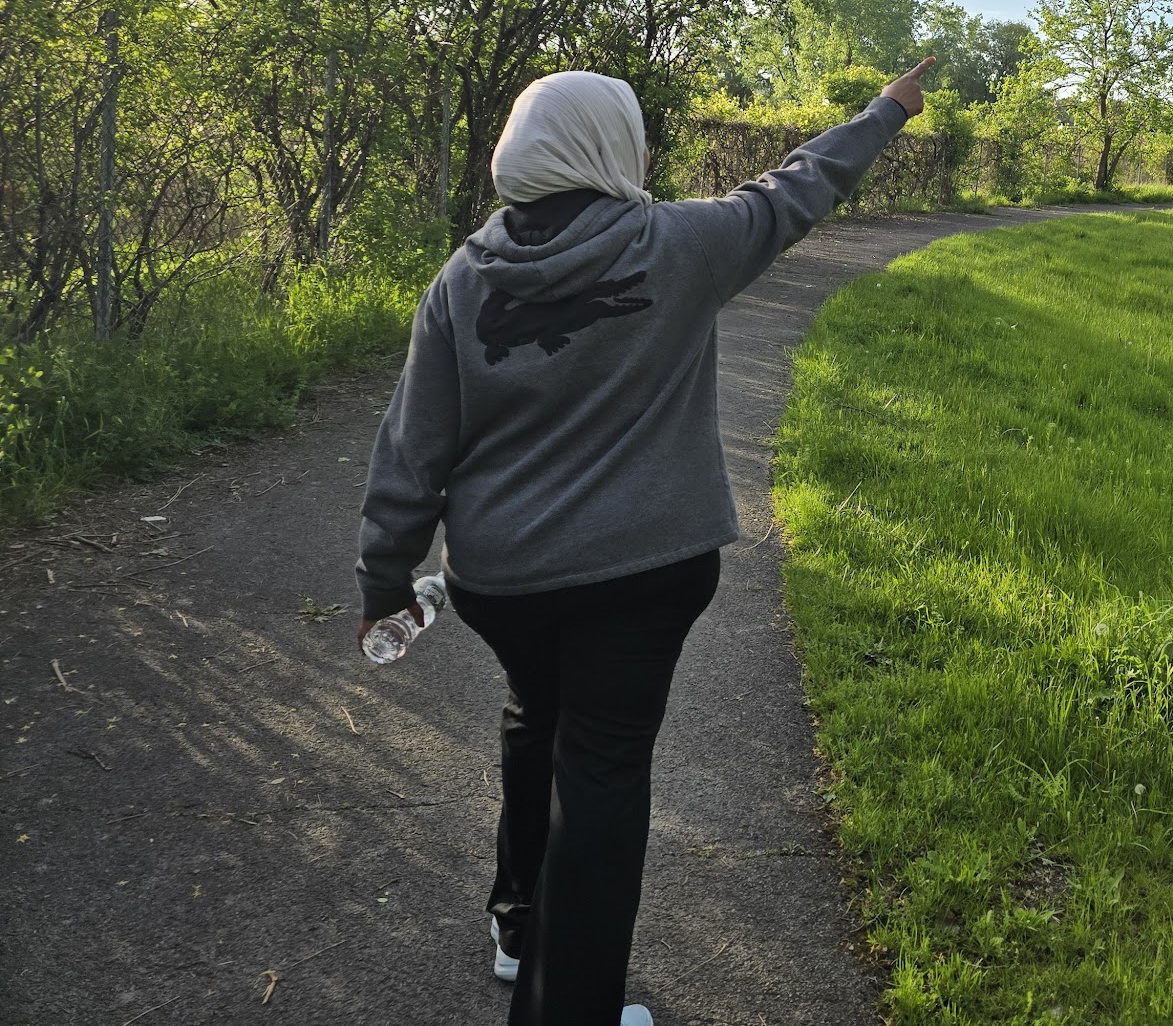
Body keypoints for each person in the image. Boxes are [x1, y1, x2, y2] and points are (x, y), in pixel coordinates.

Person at [354, 59, 933, 1026]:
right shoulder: (681, 245)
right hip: (641, 580)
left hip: (505, 582)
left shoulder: (463, 277)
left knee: (537, 717)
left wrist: (383, 580)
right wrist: (886, 112)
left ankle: (519, 929)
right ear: (610, 145)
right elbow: (799, 185)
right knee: (603, 773)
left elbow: (412, 450)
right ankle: (566, 1009)